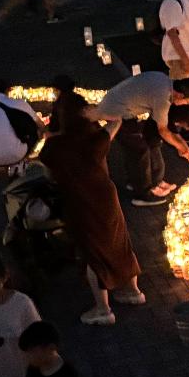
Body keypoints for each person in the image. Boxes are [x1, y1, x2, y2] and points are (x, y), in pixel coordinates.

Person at [43, 91, 146, 323]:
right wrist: (95, 113)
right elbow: (116, 120)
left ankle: (103, 309)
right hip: (106, 196)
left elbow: (50, 175)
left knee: (93, 252)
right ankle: (133, 291)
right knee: (119, 242)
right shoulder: (97, 138)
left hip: (79, 201)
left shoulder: (54, 146)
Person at [89, 68, 189, 205]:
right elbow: (163, 130)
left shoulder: (162, 79)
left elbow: (165, 127)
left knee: (137, 145)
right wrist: (180, 146)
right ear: (180, 96)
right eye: (188, 102)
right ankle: (142, 195)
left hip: (118, 106)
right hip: (115, 112)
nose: (187, 105)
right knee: (139, 149)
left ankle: (135, 182)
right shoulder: (163, 98)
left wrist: (182, 145)